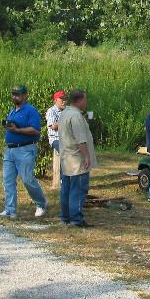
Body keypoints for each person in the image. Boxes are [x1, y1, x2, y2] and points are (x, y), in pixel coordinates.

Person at [0, 85, 48, 220]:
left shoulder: (30, 110)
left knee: (27, 179)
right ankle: (10, 210)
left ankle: (41, 203)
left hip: (25, 149)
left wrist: (17, 130)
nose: (15, 97)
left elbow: (36, 130)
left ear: (25, 95)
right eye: (13, 94)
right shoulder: (12, 111)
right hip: (10, 149)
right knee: (8, 180)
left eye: (18, 94)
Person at [57, 89, 97, 227]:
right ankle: (76, 218)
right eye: (85, 100)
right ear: (79, 101)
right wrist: (86, 156)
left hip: (66, 157)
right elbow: (81, 140)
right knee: (78, 189)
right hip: (76, 159)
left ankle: (65, 217)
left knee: (66, 189)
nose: (86, 102)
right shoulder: (76, 116)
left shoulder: (65, 113)